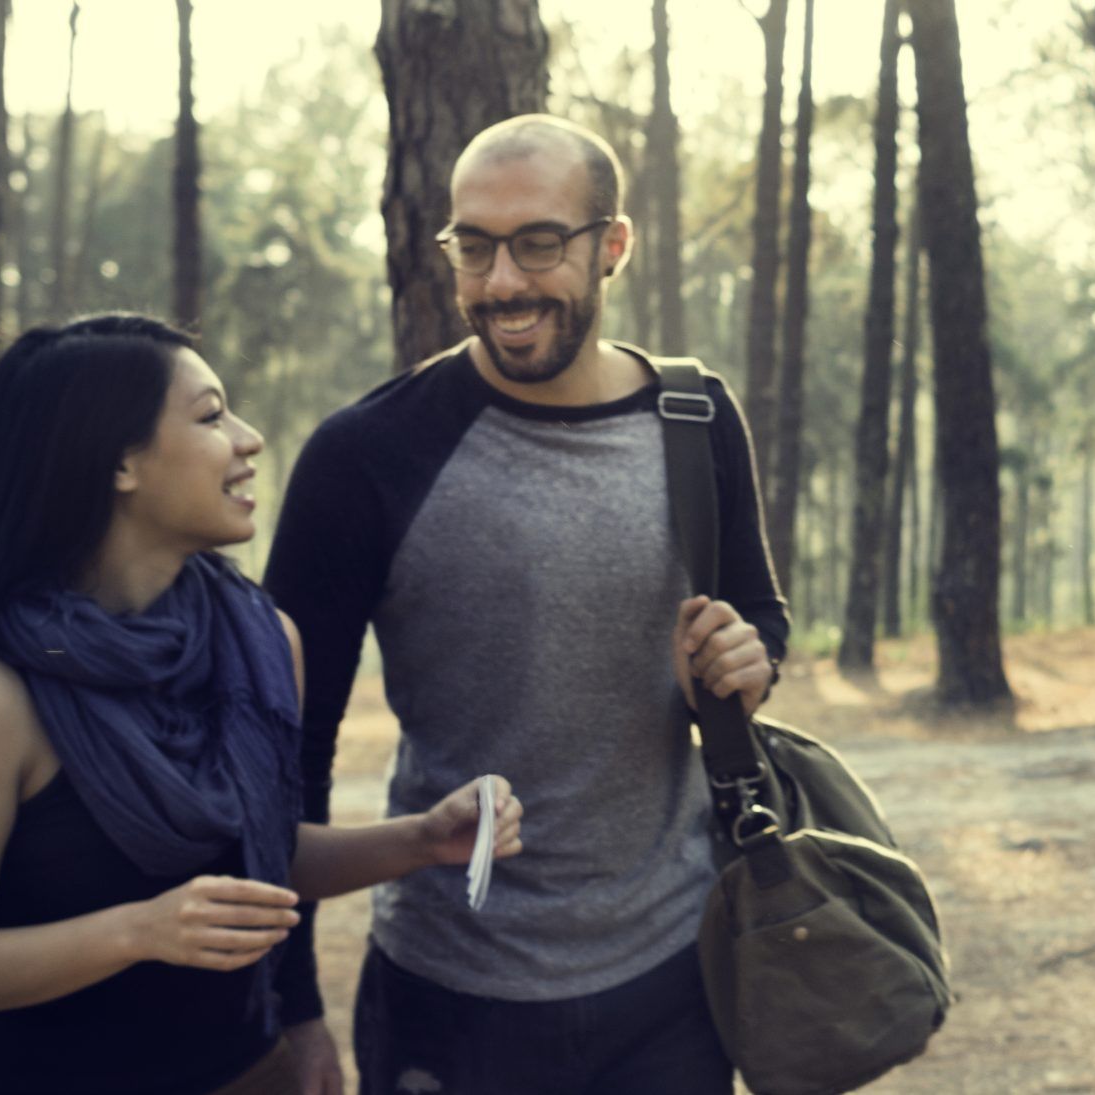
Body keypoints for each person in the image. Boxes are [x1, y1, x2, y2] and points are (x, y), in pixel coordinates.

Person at [263, 114, 789, 1094]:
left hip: (670, 982)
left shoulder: (696, 417)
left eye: (539, 242)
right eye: (474, 245)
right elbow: (281, 755)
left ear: (612, 247)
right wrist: (290, 1010)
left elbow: (759, 615)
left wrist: (744, 661)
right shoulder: (362, 458)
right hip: (445, 991)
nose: (502, 281)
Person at [0, 314, 524, 1095]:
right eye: (213, 415)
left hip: (250, 1072)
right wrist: (137, 931)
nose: (248, 439)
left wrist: (420, 840)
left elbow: (256, 856)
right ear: (119, 461)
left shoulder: (259, 640)